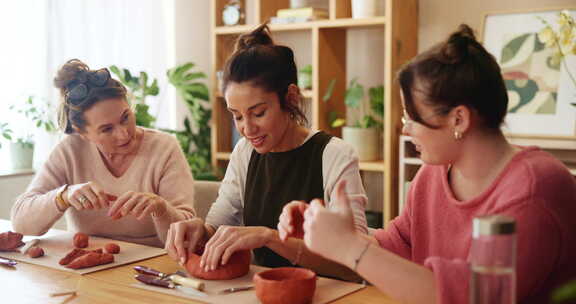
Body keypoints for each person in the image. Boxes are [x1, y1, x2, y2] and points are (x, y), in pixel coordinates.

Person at [279, 24, 576, 304]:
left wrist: (348, 246)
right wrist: (328, 234)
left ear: (458, 118)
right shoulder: (433, 173)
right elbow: (398, 246)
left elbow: (473, 296)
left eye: (412, 117)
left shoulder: (535, 191)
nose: (404, 129)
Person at [164, 23, 368, 280]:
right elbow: (219, 223)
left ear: (291, 98)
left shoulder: (334, 155)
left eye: (258, 113)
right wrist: (199, 231)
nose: (247, 129)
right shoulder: (245, 152)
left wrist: (270, 238)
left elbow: (357, 261)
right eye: (236, 116)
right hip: (260, 291)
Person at [11, 59, 196, 247]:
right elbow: (21, 224)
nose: (124, 134)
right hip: (85, 267)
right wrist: (64, 196)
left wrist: (161, 209)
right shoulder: (70, 151)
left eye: (126, 117)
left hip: (152, 263)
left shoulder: (164, 148)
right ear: (82, 133)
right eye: (107, 129)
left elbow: (188, 238)